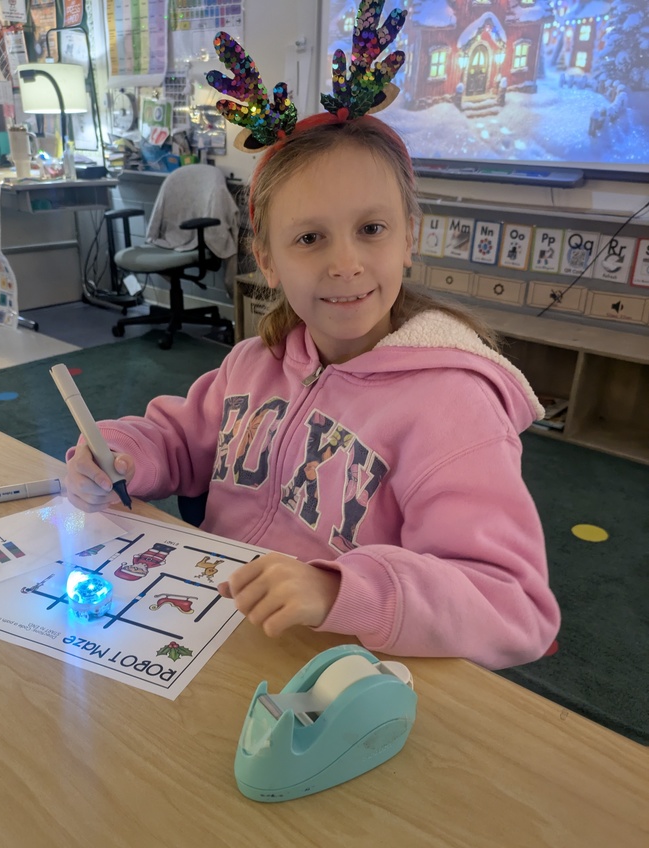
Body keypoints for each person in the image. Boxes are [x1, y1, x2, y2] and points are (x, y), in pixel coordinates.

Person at [64, 13, 560, 671]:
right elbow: (181, 441)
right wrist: (121, 454)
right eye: (309, 238)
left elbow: (512, 606)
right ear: (267, 260)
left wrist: (338, 590)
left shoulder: (453, 408)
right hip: (212, 635)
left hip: (340, 676)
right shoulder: (251, 363)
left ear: (408, 239)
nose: (345, 264)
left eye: (372, 229)